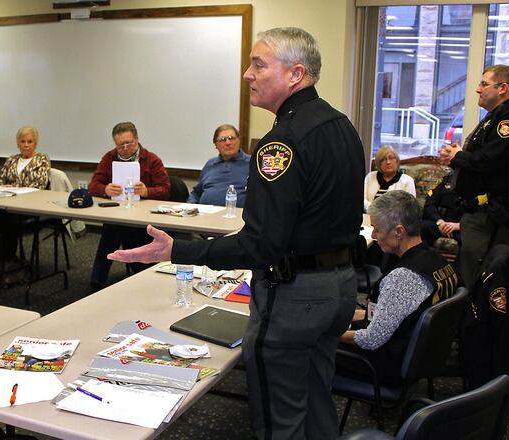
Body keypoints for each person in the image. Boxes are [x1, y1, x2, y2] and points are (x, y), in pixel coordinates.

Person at [109, 28, 365, 439]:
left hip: (294, 298)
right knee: (316, 399)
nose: (247, 74)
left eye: (259, 65)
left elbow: (261, 245)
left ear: (295, 74)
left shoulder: (280, 143)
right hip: (339, 287)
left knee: (280, 417)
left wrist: (177, 251)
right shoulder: (341, 125)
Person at [339, 191, 458, 386]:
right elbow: (394, 313)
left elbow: (372, 339)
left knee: (310, 349)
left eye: (377, 229)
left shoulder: (403, 278)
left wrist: (328, 334)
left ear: (399, 232)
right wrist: (345, 315)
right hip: (421, 357)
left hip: (385, 367)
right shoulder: (438, 261)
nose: (374, 235)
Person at [439, 65, 509, 289]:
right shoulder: (495, 117)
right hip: (477, 212)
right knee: (469, 273)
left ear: (503, 88)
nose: (477, 89)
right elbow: (480, 157)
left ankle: (476, 323)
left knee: (479, 281)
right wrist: (456, 156)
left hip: (490, 215)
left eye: (483, 84)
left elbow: (488, 161)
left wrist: (459, 155)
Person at [88, 121, 170, 290]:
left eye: (129, 143)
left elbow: (166, 190)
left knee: (116, 231)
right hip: (118, 211)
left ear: (137, 140)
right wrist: (105, 189)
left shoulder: (152, 159)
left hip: (145, 215)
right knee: (112, 228)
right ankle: (96, 283)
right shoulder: (109, 157)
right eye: (120, 145)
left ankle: (138, 276)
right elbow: (93, 185)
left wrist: (147, 191)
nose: (125, 147)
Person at [0, 126, 50, 272]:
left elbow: (40, 184)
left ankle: (8, 259)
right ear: (17, 143)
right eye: (22, 141)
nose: (26, 145)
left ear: (35, 143)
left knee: (7, 220)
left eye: (30, 141)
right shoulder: (12, 159)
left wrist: (14, 188)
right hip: (7, 201)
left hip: (30, 206)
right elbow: (0, 178)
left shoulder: (42, 159)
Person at [187, 124, 250, 206]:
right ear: (216, 145)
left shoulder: (252, 163)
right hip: (206, 214)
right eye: (222, 140)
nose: (228, 143)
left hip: (236, 215)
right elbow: (196, 192)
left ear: (239, 140)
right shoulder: (210, 164)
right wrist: (189, 206)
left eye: (232, 138)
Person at [363, 145, 415, 210]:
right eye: (383, 159)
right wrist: (373, 210)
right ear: (379, 163)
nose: (388, 162)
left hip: (396, 218)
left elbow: (410, 206)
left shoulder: (407, 181)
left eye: (391, 158)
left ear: (397, 161)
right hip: (370, 215)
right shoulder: (370, 177)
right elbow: (362, 199)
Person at [420, 172, 463, 247]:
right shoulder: (446, 179)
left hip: (461, 226)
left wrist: (459, 225)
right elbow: (430, 204)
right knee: (423, 227)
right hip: (441, 224)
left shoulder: (479, 182)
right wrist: (440, 222)